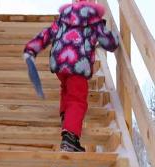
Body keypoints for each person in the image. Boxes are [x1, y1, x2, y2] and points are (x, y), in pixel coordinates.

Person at [23, 0, 119, 152]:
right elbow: (109, 42)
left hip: (59, 61)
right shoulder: (93, 19)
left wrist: (31, 49)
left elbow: (47, 34)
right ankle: (70, 137)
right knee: (77, 99)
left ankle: (65, 118)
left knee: (66, 88)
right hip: (78, 63)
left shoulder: (63, 17)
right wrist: (115, 38)